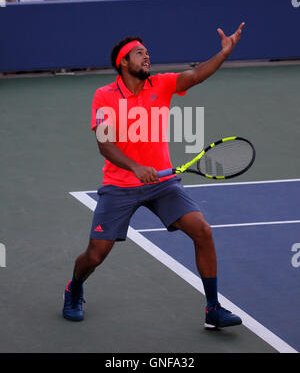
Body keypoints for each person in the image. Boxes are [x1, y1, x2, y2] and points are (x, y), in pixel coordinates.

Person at [62, 21, 246, 330]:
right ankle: (74, 288)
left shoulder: (160, 84)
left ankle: (212, 307)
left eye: (147, 53)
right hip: (120, 187)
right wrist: (134, 167)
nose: (147, 57)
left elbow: (197, 74)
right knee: (94, 256)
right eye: (139, 53)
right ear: (123, 62)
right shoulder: (105, 95)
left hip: (162, 184)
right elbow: (104, 144)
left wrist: (223, 53)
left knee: (202, 231)